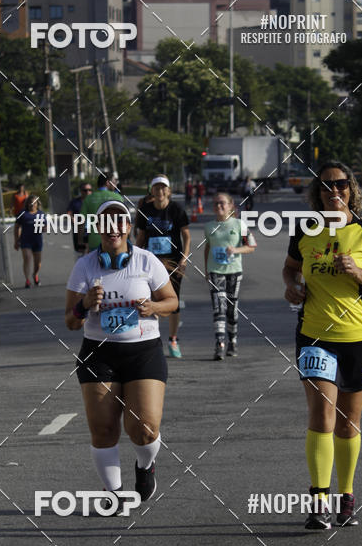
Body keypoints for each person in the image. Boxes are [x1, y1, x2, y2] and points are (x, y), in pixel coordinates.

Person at [283, 161, 362, 530]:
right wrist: (291, 285)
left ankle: (347, 496)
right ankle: (318, 501)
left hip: (358, 336)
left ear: (350, 189)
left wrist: (358, 273)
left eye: (341, 185)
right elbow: (289, 267)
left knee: (347, 423)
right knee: (322, 415)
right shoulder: (305, 231)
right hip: (314, 335)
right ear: (318, 193)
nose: (334, 191)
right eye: (326, 186)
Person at [64, 200, 178, 509]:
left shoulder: (146, 261)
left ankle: (145, 466)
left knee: (143, 428)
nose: (113, 228)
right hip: (98, 354)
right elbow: (71, 321)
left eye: (119, 222)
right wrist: (84, 304)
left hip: (142, 352)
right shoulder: (85, 266)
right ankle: (114, 494)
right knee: (103, 430)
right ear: (98, 228)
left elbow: (172, 301)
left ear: (127, 228)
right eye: (106, 223)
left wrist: (153, 307)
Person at [135, 175, 190, 359]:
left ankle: (173, 339)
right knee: (150, 301)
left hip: (172, 262)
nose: (160, 191)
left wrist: (184, 258)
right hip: (151, 263)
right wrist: (134, 257)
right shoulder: (145, 210)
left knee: (172, 301)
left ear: (168, 191)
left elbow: (186, 236)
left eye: (163, 188)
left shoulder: (176, 209)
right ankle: (152, 340)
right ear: (152, 190)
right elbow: (141, 238)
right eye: (156, 188)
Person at [203, 192, 256, 359]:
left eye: (222, 203)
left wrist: (236, 249)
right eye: (216, 203)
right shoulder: (209, 226)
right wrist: (206, 270)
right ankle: (219, 344)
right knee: (219, 308)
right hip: (215, 271)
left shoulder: (239, 225)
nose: (219, 206)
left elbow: (252, 246)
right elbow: (207, 248)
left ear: (231, 205)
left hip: (234, 271)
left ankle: (232, 341)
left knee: (231, 310)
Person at [82, 172, 121, 252]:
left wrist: (80, 240)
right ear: (107, 182)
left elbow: (81, 221)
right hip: (114, 241)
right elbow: (124, 221)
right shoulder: (118, 198)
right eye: (114, 182)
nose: (115, 184)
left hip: (94, 241)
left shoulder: (88, 199)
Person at [14, 195, 47, 288]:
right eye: (30, 202)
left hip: (37, 241)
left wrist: (43, 228)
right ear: (27, 204)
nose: (31, 204)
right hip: (25, 241)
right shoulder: (23, 213)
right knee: (27, 258)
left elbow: (45, 226)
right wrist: (16, 240)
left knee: (38, 263)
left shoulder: (41, 214)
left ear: (37, 204)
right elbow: (17, 227)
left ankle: (35, 274)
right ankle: (27, 280)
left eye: (34, 203)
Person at [68, 183, 93, 257]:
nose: (88, 192)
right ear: (81, 191)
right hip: (79, 229)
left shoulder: (94, 201)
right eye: (85, 190)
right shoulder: (75, 201)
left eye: (89, 190)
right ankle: (80, 266)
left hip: (92, 230)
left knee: (92, 252)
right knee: (80, 252)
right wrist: (72, 219)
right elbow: (69, 212)